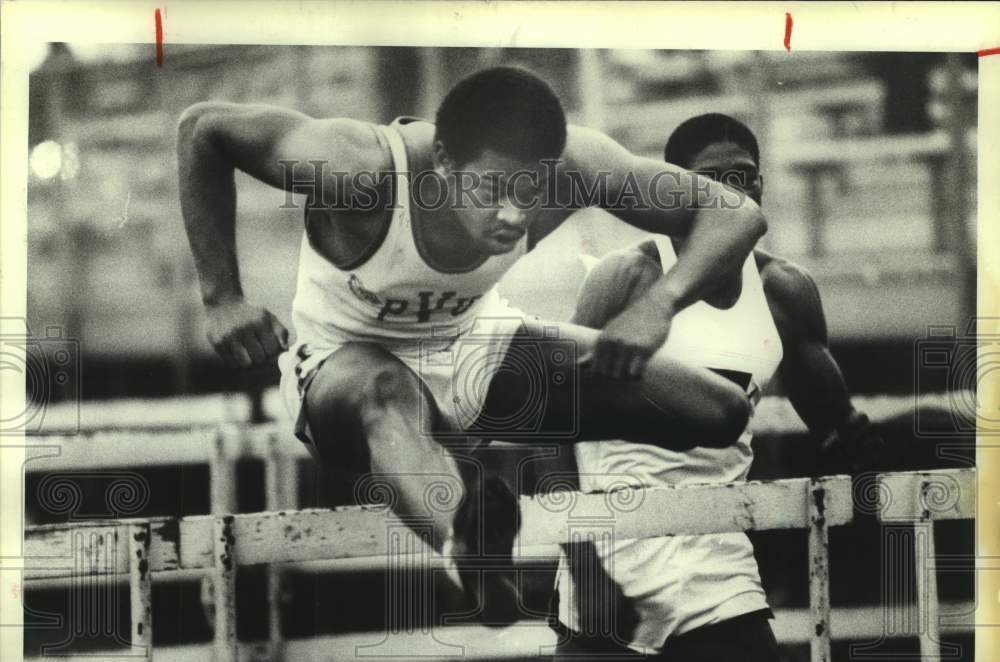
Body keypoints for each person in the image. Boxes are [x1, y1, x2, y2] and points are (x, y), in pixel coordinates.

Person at [175, 69, 765, 627]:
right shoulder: (359, 168)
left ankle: (474, 486)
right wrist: (221, 297)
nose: (513, 214)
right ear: (443, 160)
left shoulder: (577, 165)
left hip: (474, 344)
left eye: (530, 190)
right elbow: (203, 128)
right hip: (345, 367)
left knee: (719, 412)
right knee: (385, 391)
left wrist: (659, 304)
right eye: (492, 189)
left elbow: (736, 215)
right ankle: (472, 553)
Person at [543, 113, 882, 662]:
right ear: (677, 189)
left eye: (743, 176)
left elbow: (836, 422)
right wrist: (583, 560)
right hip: (614, 546)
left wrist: (862, 447)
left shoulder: (783, 292)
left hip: (717, 554)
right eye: (711, 178)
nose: (731, 190)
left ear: (761, 187)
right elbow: (556, 421)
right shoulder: (623, 277)